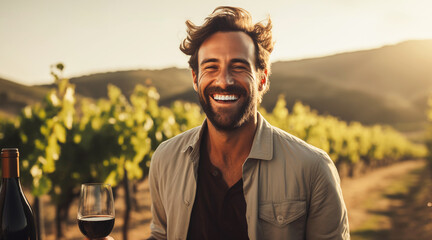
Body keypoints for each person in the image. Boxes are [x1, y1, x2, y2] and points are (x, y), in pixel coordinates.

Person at [148, 6, 350, 240]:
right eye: (211, 67)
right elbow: (161, 235)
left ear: (262, 78)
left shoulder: (313, 168)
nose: (224, 81)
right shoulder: (165, 159)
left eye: (239, 66)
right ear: (195, 78)